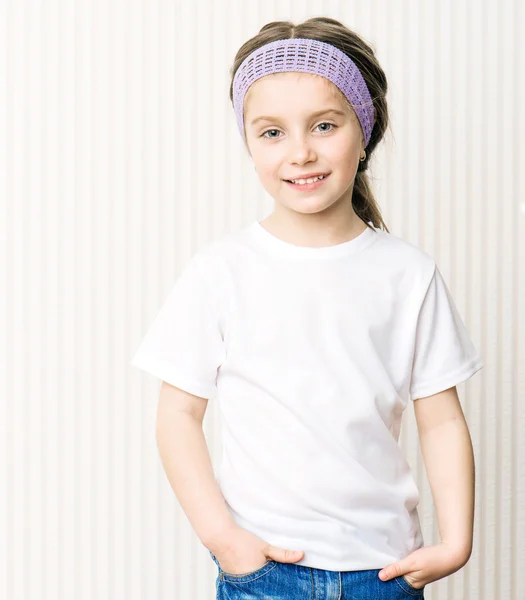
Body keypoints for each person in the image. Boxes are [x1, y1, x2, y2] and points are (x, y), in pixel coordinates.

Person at [130, 17, 484, 600]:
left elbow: (440, 417)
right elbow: (177, 417)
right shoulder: (221, 270)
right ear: (247, 141)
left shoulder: (408, 274)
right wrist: (225, 539)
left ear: (363, 131)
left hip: (385, 572)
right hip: (264, 572)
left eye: (324, 125)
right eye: (272, 132)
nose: (301, 152)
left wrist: (457, 540)